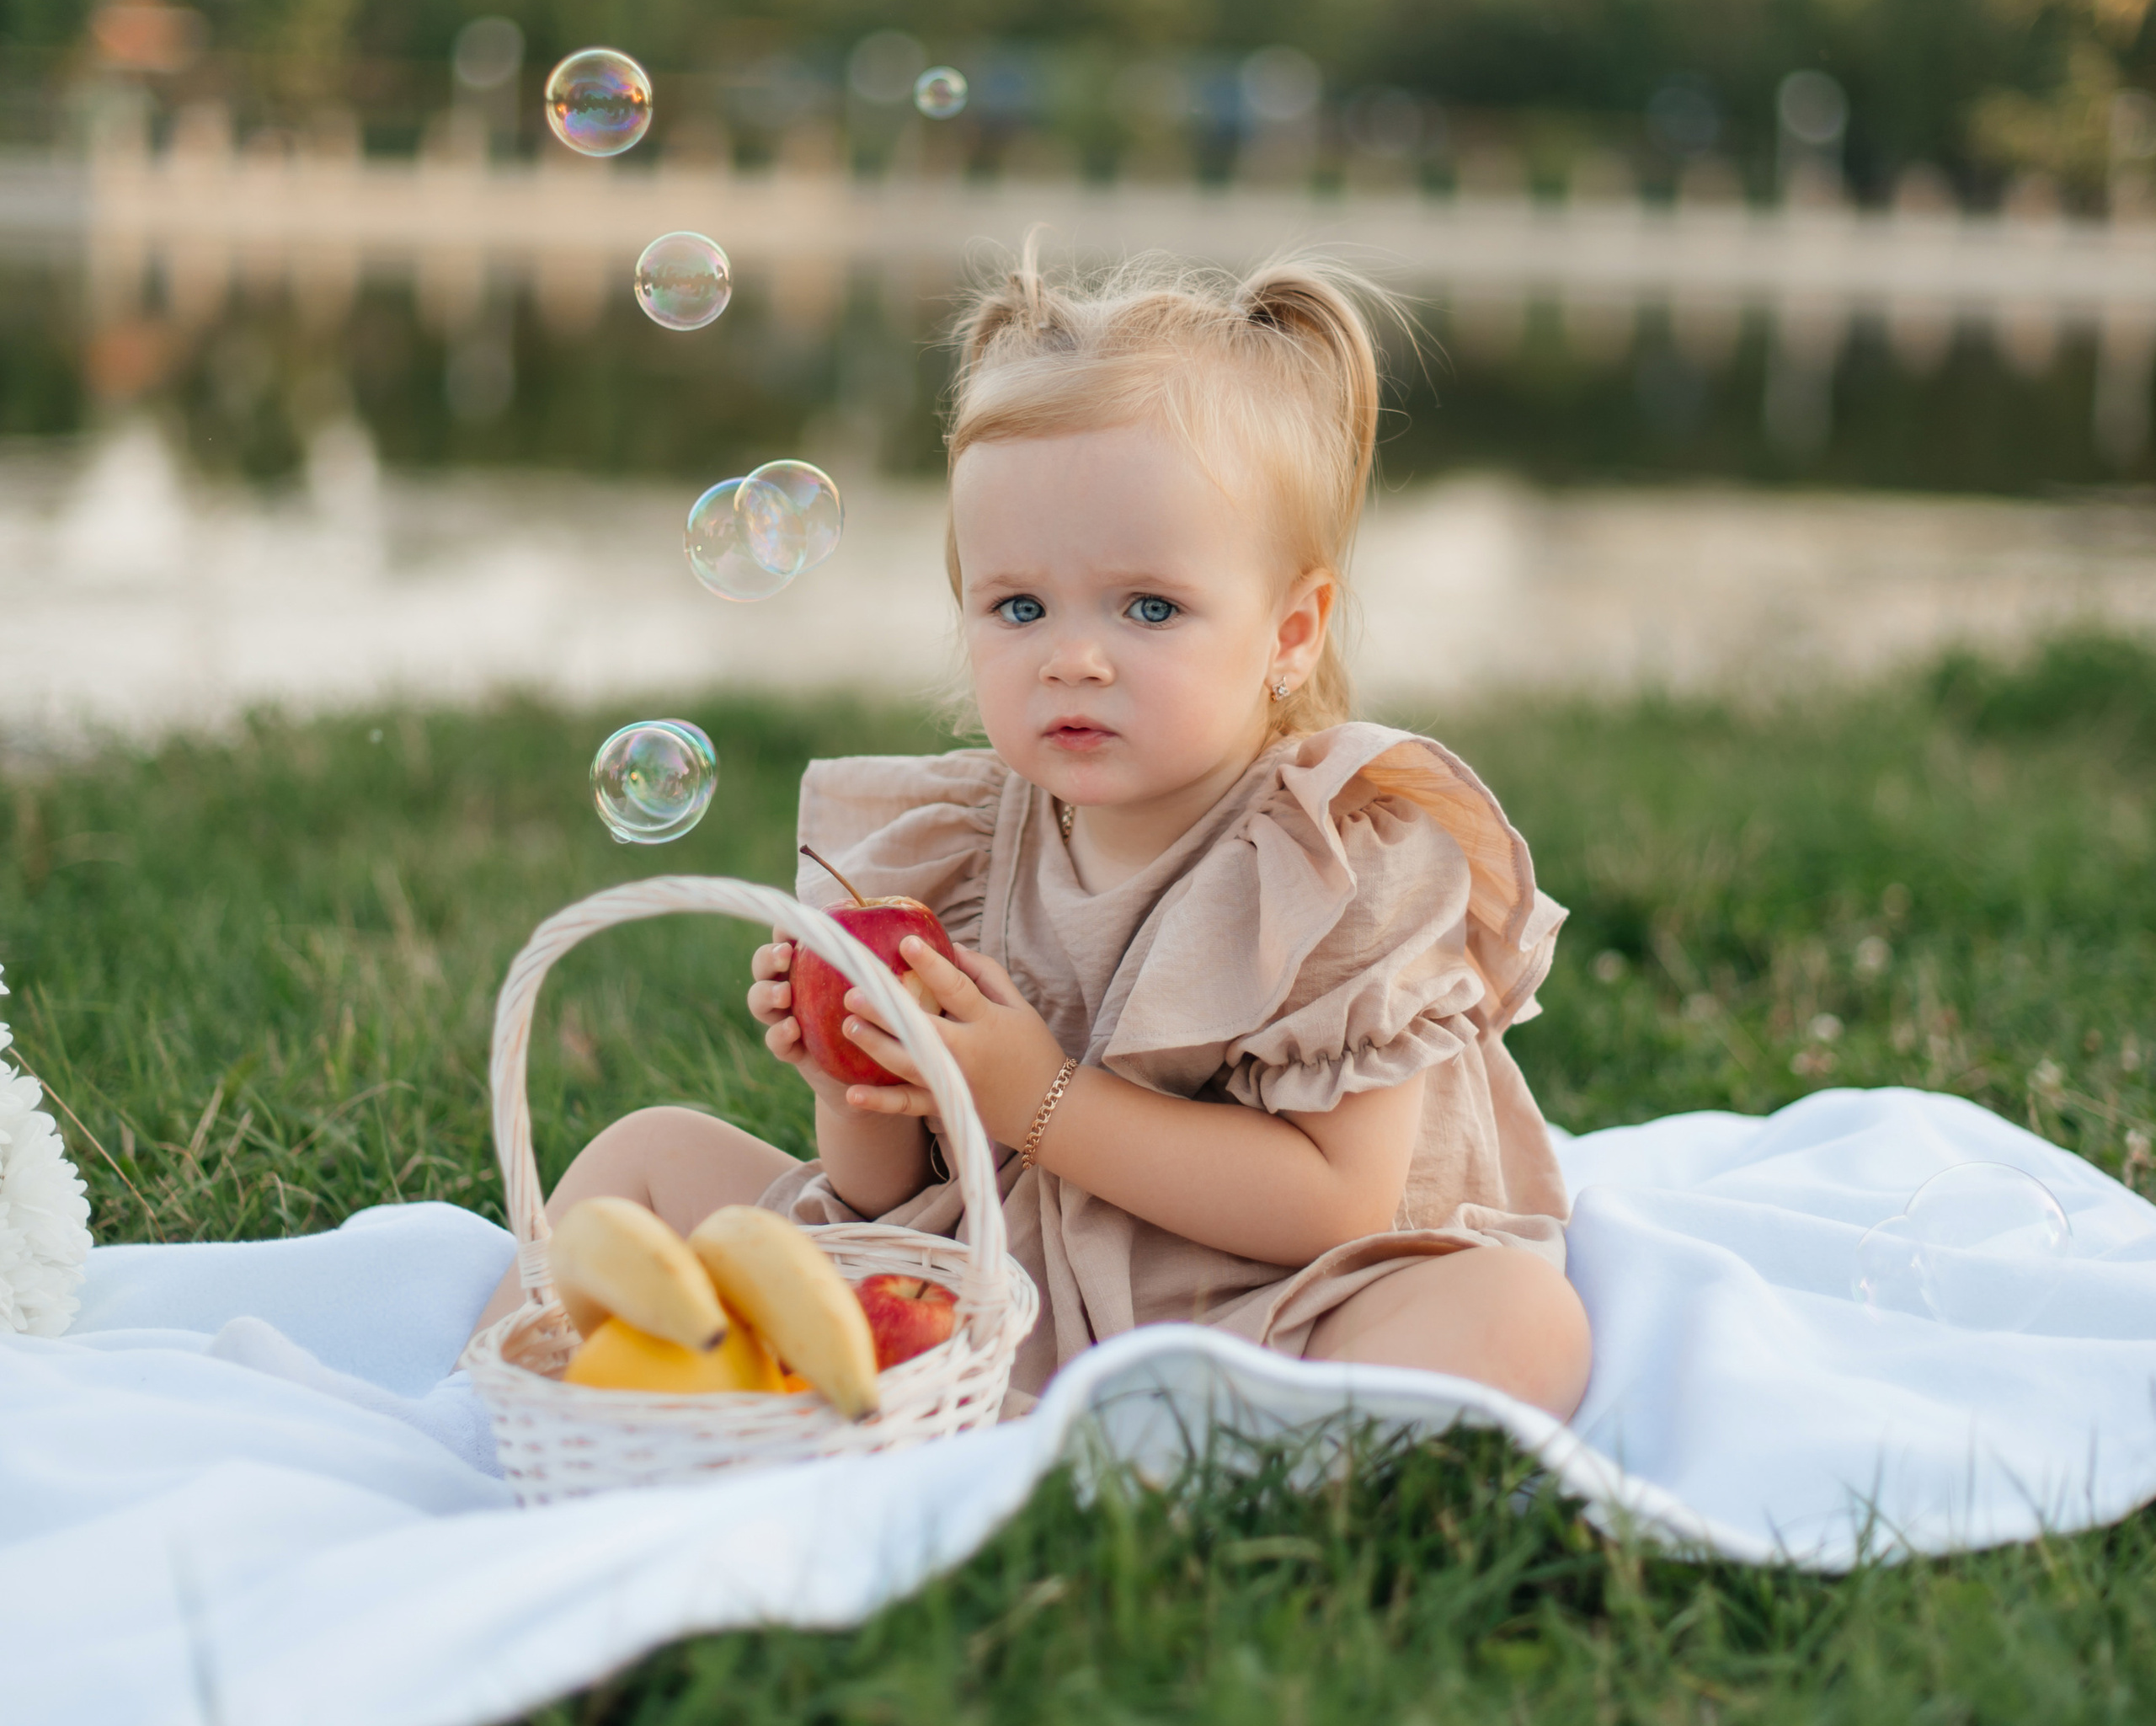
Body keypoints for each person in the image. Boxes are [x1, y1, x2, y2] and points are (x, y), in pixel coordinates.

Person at [481, 250, 1591, 1419]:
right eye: (1019, 605)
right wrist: (854, 1080)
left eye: (1149, 606)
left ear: (1292, 630)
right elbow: (883, 1202)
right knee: (646, 1156)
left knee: (1516, 1318)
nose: (1073, 652)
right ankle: (507, 1411)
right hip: (988, 1292)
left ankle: (1224, 1468)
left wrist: (1043, 1098)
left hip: (1259, 1310)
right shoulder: (955, 845)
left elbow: (1337, 1201)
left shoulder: (1334, 860)